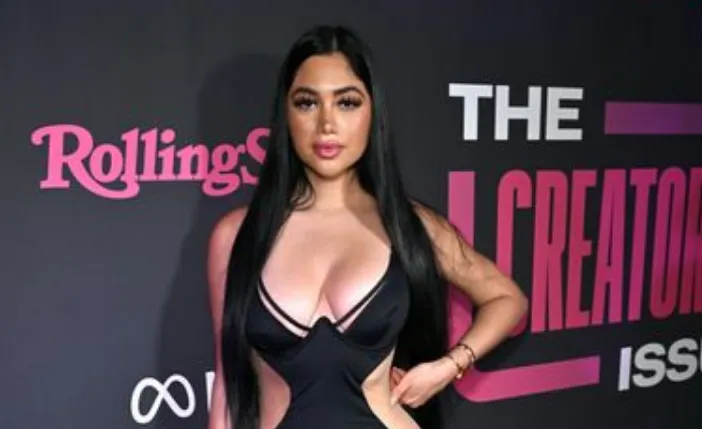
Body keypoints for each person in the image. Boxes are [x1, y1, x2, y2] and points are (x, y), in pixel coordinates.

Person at [206, 25, 527, 429]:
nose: (326, 123)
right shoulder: (236, 236)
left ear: (372, 112)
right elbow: (228, 386)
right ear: (285, 114)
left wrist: (449, 367)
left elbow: (507, 299)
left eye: (347, 103)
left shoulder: (409, 225)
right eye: (307, 103)